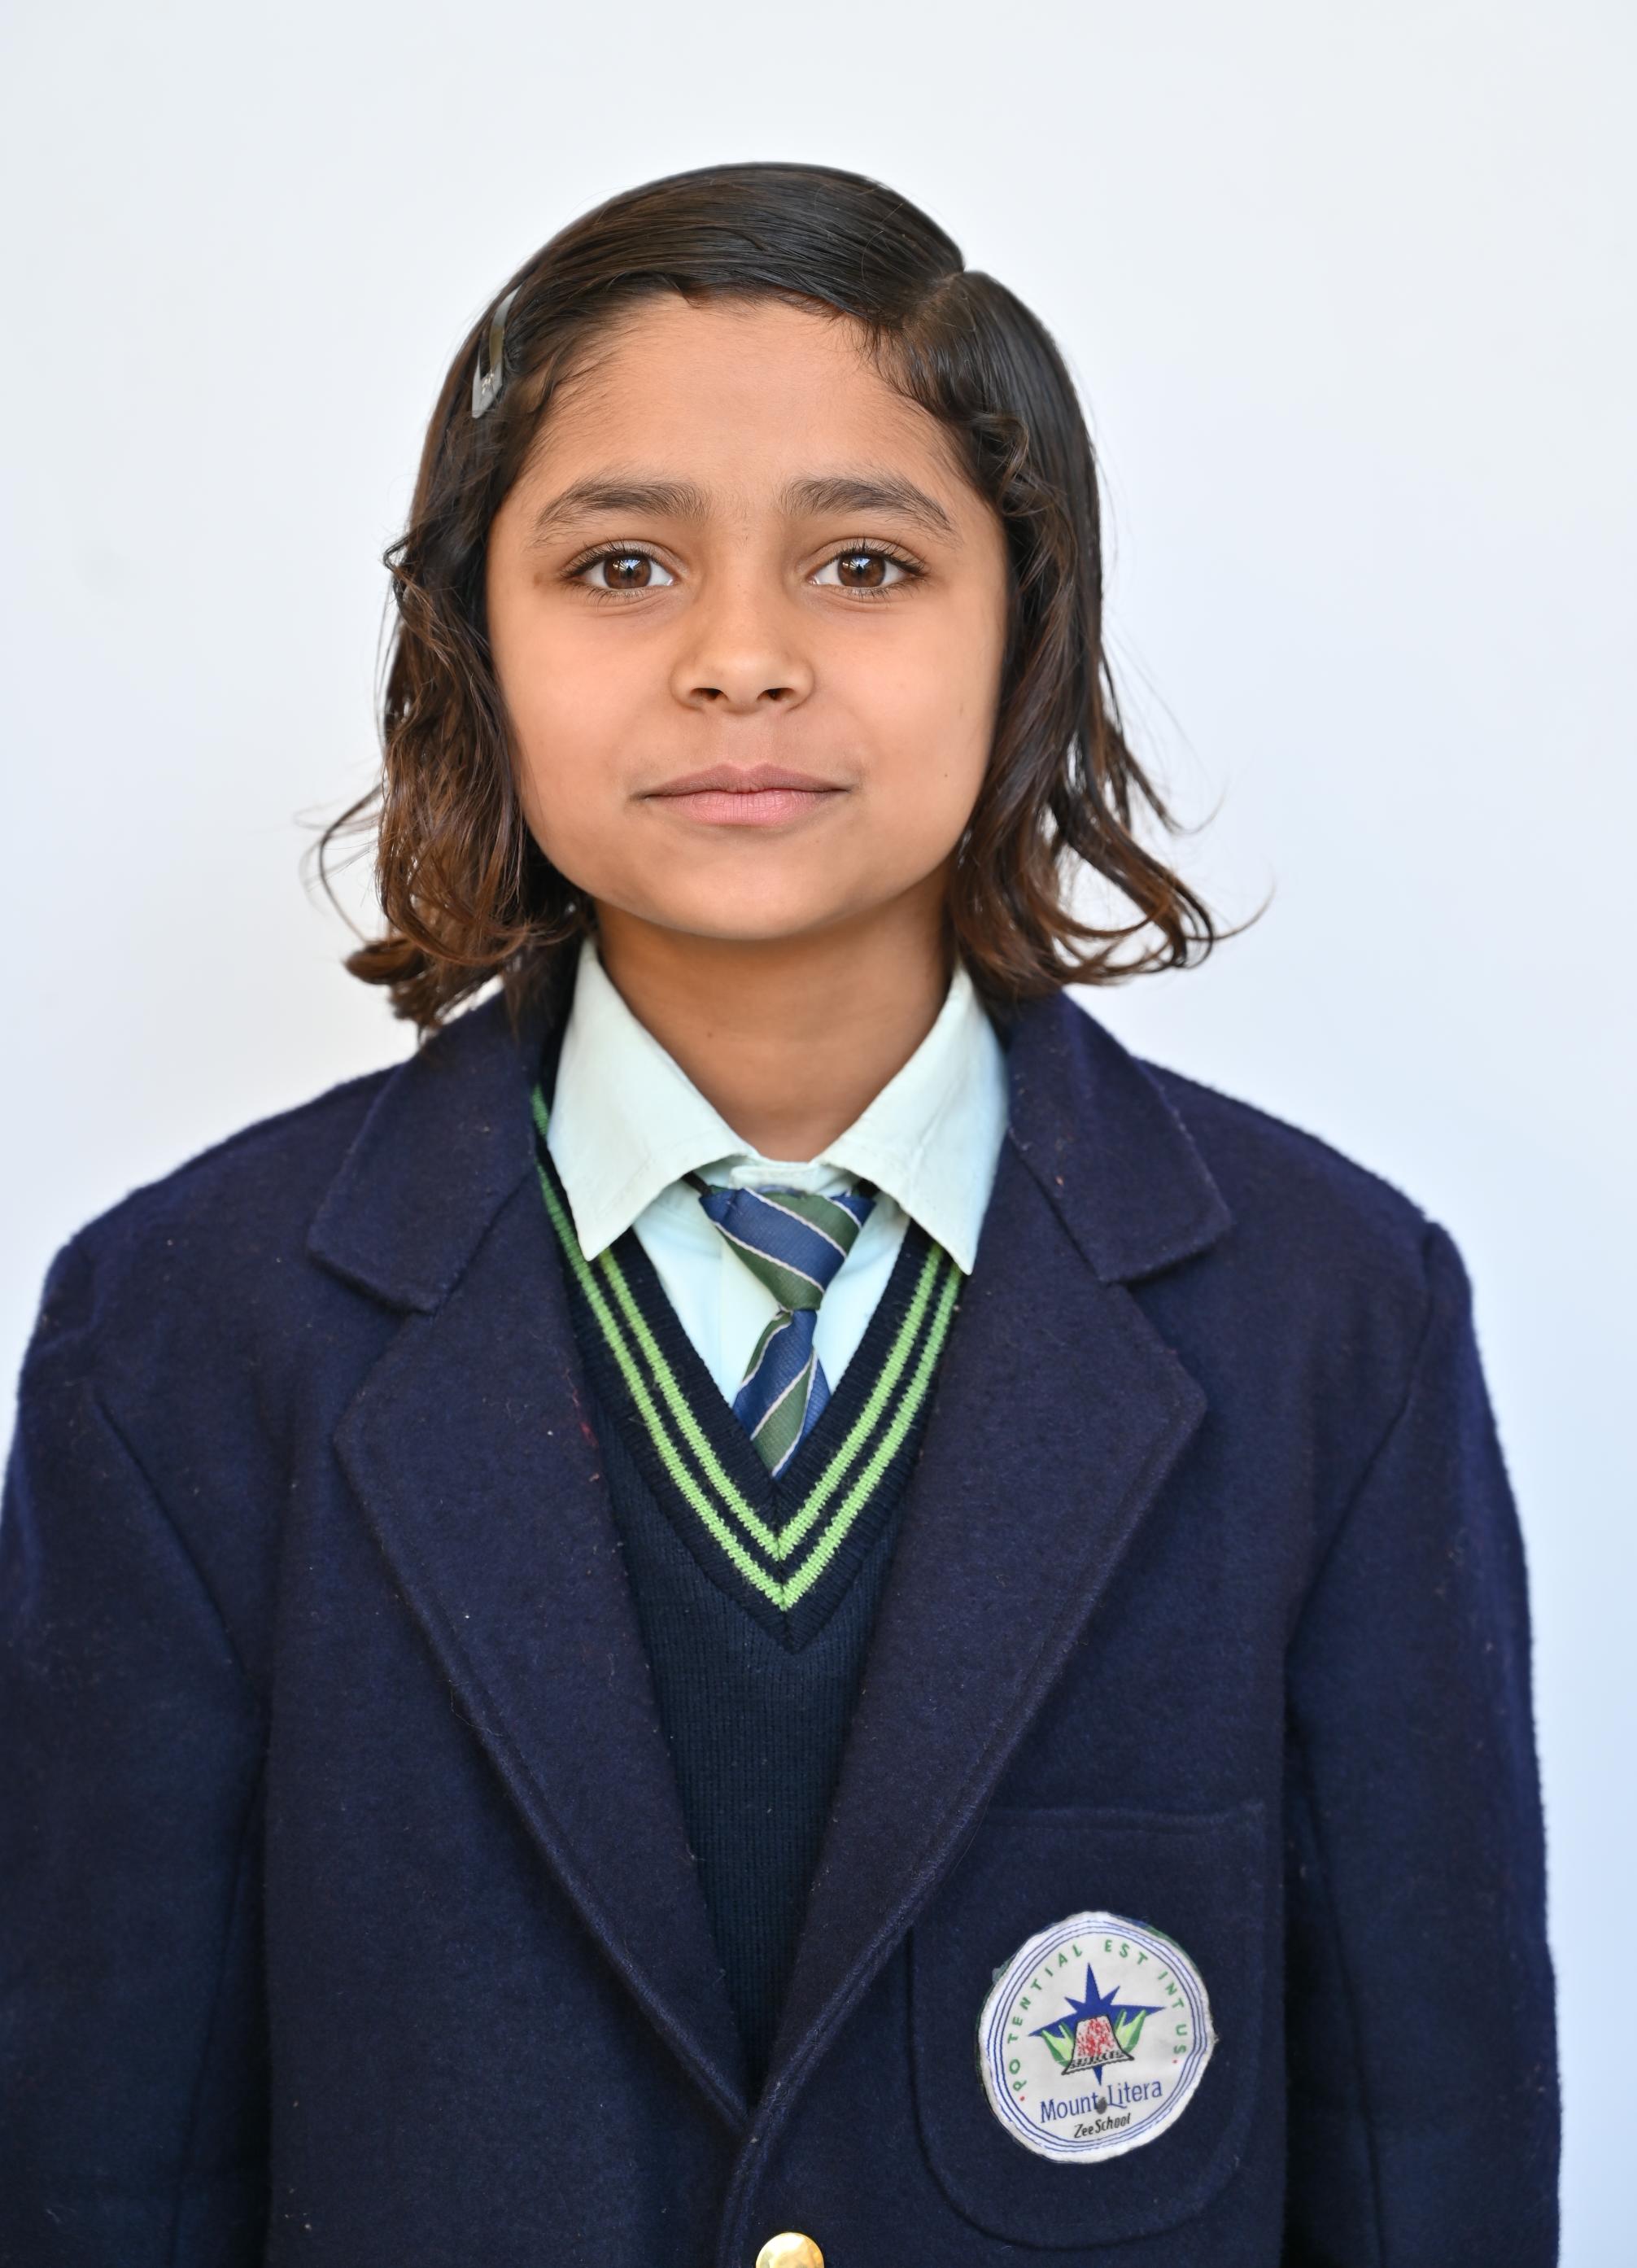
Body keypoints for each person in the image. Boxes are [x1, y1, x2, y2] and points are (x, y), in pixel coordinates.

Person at [0, 162, 1556, 2267]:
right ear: (473, 636)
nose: (740, 658)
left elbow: (1427, 2152)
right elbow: (105, 2168)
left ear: (1026, 627)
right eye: (622, 563)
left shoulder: (1331, 1315)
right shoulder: (182, 1331)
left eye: (864, 562)